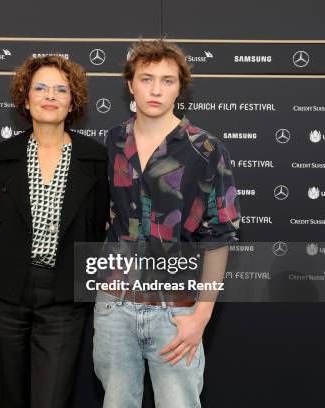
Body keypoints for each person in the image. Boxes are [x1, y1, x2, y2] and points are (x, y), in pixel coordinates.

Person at [94, 39, 241, 407]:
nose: (156, 89)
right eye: (146, 78)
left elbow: (219, 237)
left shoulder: (205, 149)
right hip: (114, 304)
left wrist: (201, 317)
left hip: (177, 310)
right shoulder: (113, 141)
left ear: (180, 87)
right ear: (131, 84)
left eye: (167, 80)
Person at [0, 55, 109, 408]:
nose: (49, 96)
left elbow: (98, 227)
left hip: (64, 297)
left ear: (73, 101)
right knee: (7, 396)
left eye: (60, 89)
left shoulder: (95, 158)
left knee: (51, 398)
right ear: (25, 99)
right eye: (40, 88)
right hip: (6, 295)